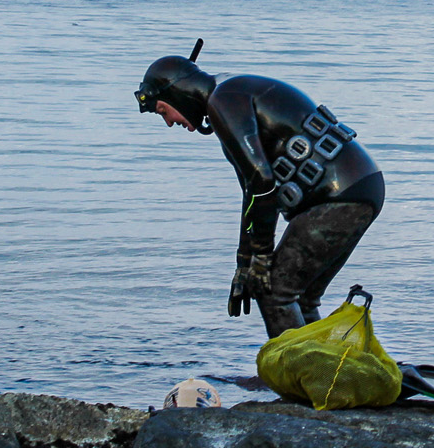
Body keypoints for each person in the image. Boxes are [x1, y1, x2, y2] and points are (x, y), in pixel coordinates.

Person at [136, 41, 385, 339]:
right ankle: (326, 373)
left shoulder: (224, 100)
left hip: (339, 195)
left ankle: (300, 378)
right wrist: (245, 263)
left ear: (178, 92)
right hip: (359, 186)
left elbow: (263, 184)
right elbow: (251, 191)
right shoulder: (230, 93)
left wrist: (263, 256)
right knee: (299, 295)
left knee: (275, 292)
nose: (169, 123)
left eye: (164, 111)